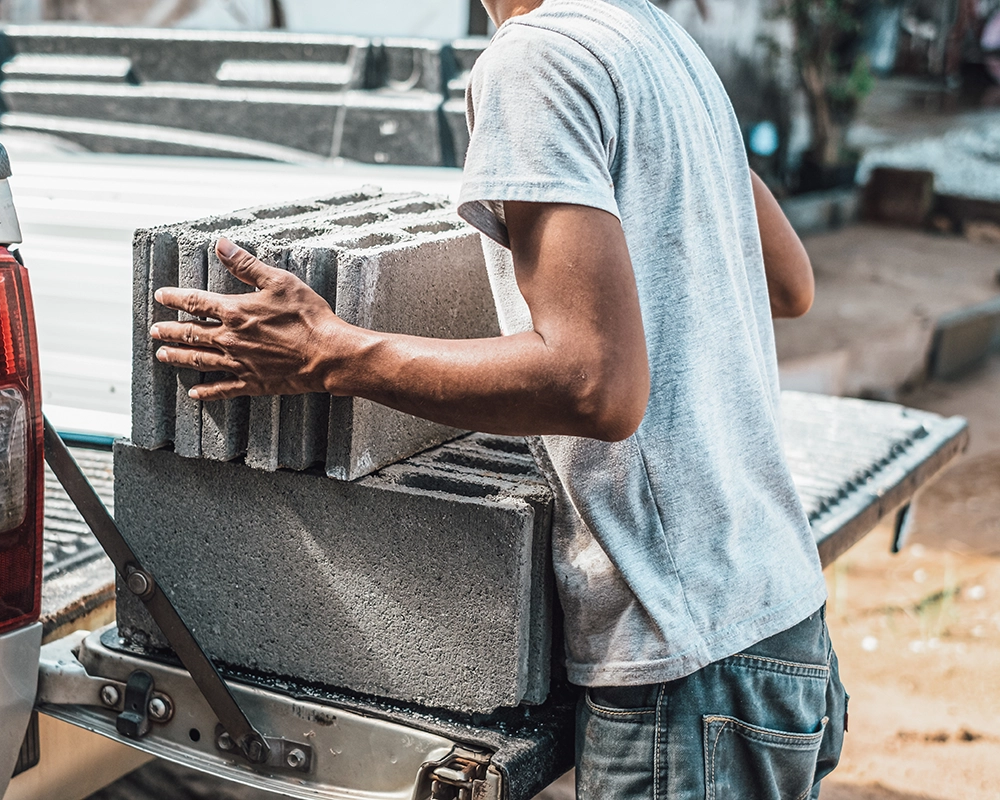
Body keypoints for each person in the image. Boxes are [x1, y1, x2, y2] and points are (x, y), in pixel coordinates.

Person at [149, 0, 847, 796]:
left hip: (685, 656)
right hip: (779, 615)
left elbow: (595, 386)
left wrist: (330, 353)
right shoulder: (659, 40)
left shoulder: (536, 56)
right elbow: (791, 284)